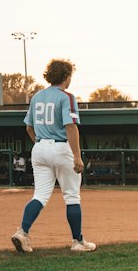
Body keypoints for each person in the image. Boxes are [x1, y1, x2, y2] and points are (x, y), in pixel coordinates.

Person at [11, 58, 96, 254]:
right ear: (67, 76)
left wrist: (41, 145)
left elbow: (29, 127)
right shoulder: (66, 97)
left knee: (39, 196)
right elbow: (70, 126)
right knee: (72, 196)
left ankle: (22, 232)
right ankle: (77, 241)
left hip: (40, 147)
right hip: (60, 148)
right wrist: (77, 156)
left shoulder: (37, 97)